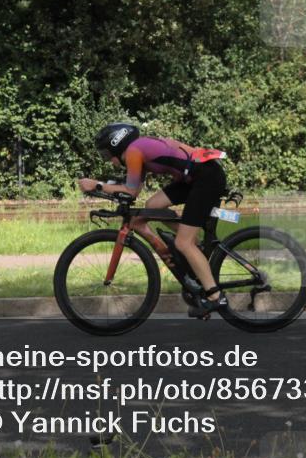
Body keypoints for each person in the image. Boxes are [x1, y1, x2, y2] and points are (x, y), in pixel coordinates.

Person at [76, 123, 228, 317]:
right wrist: (105, 187)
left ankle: (215, 297)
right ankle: (194, 245)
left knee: (183, 243)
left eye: (107, 155)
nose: (109, 161)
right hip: (196, 175)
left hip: (205, 177)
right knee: (153, 205)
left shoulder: (133, 152)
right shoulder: (137, 149)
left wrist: (96, 185)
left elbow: (130, 191)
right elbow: (133, 190)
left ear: (116, 146)